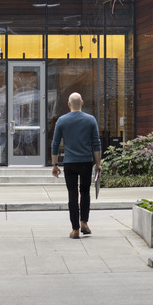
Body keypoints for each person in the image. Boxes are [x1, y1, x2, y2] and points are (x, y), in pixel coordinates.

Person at [51, 92, 102, 239]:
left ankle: (75, 229)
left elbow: (55, 144)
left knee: (72, 194)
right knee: (85, 192)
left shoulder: (61, 121)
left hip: (69, 163)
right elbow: (96, 144)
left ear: (68, 104)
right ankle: (84, 222)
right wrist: (98, 164)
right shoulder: (90, 120)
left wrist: (54, 164)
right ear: (82, 102)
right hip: (86, 162)